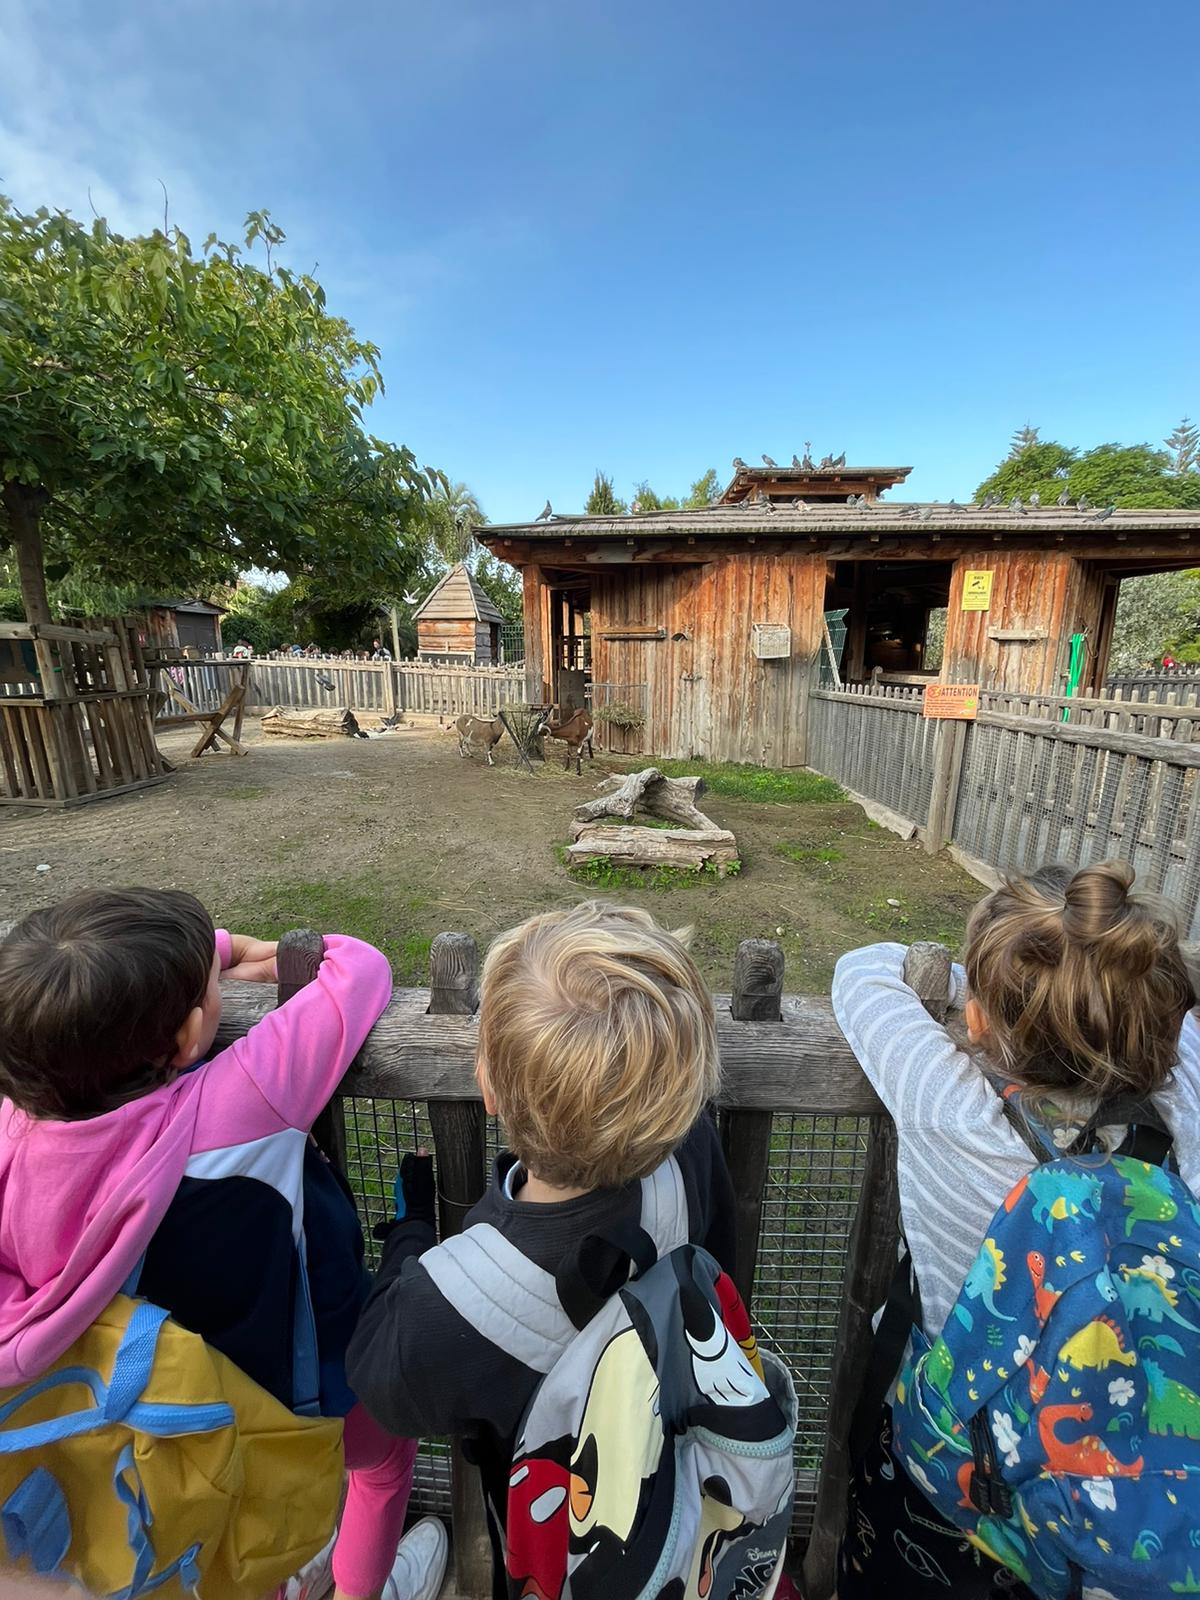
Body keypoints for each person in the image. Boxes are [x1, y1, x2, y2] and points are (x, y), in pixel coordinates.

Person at [0, 890, 448, 1600]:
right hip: (298, 1395)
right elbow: (358, 969)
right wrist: (230, 950)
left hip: (158, 1420)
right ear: (182, 1039)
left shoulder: (14, 1130)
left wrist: (191, 970)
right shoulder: (240, 1104)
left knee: (226, 1532)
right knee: (384, 1461)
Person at [831, 861, 1200, 1598]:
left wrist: (1000, 974)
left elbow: (862, 972)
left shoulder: (950, 1109)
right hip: (1139, 1487)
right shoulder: (1187, 1099)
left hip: (960, 1489)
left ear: (975, 1018)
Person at [347, 901, 738, 1596]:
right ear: (677, 1100)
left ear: (489, 1086)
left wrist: (409, 1236)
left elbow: (384, 1389)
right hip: (679, 1500)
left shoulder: (436, 1309)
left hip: (551, 1559)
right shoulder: (691, 1155)